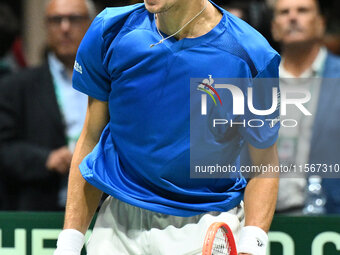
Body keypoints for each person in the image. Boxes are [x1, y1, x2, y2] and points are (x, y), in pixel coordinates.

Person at [54, 1, 280, 254]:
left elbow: (264, 163)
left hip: (204, 224)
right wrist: (69, 245)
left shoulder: (253, 54)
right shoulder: (111, 30)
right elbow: (91, 138)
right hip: (118, 223)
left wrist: (254, 244)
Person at [0, 0, 95, 210]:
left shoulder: (112, 85)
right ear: (45, 26)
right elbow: (4, 148)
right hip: (40, 207)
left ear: (91, 24)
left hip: (102, 206)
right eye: (56, 20)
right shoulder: (16, 87)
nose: (65, 27)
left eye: (74, 18)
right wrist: (46, 159)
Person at [271, 0, 340, 214]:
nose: (292, 17)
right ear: (274, 27)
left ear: (320, 23)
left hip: (330, 218)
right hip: (267, 219)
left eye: (302, 10)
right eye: (284, 12)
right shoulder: (259, 82)